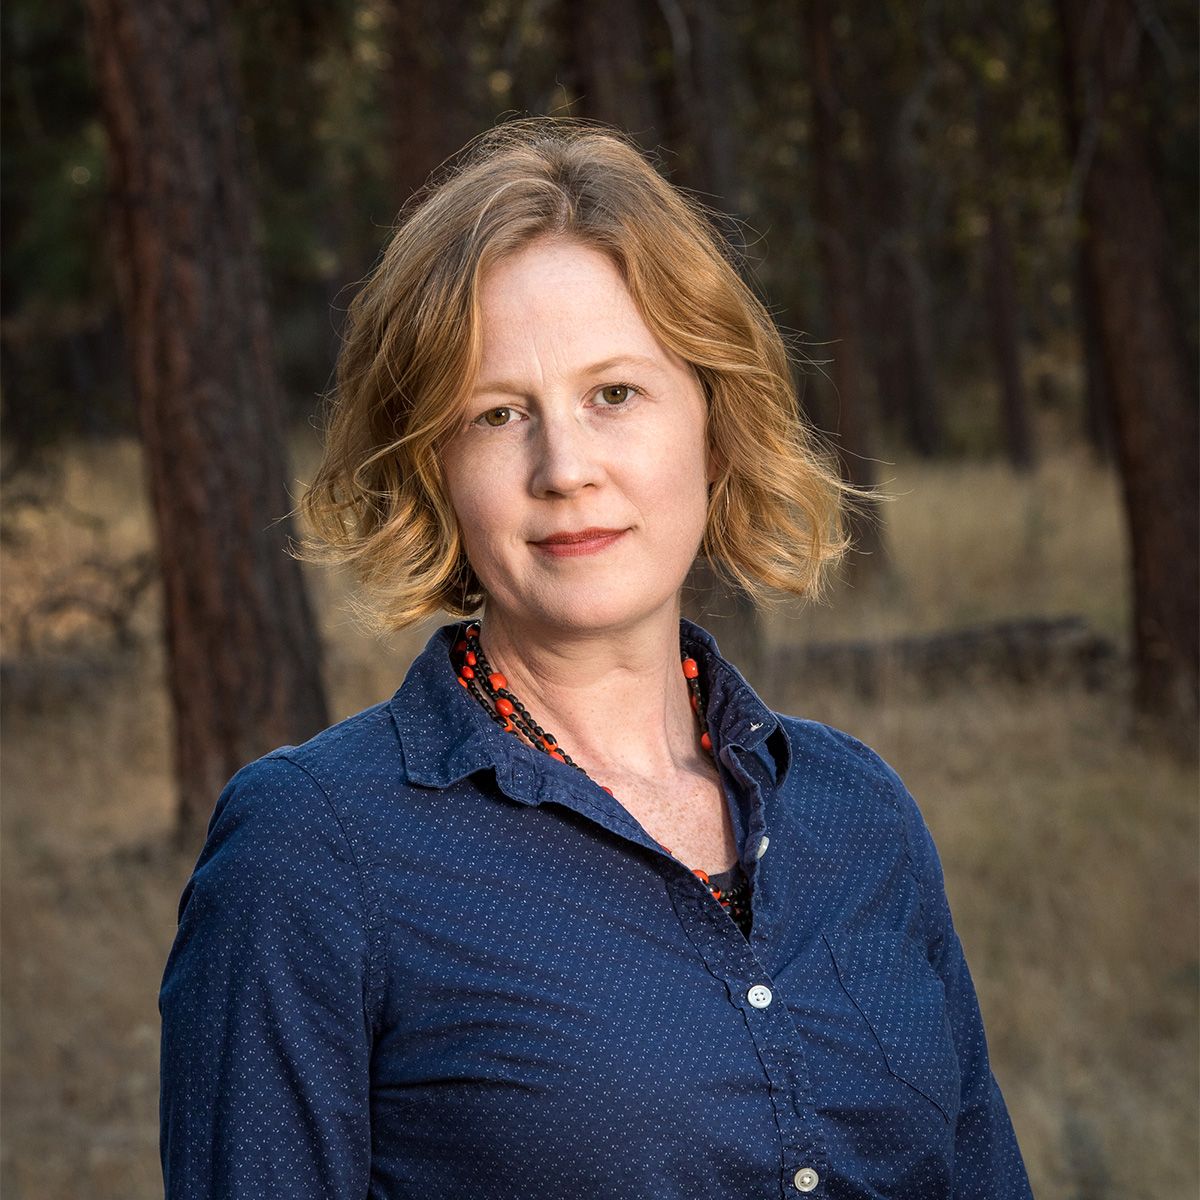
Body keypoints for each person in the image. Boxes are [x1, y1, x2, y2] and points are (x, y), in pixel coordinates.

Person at [158, 117, 1033, 1199]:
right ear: (433, 468)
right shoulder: (315, 856)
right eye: (495, 414)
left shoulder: (861, 815)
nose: (564, 467)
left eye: (614, 394)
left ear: (713, 422)